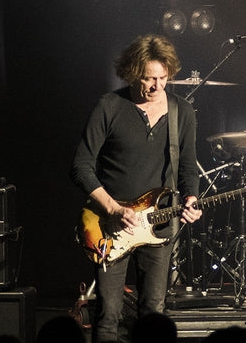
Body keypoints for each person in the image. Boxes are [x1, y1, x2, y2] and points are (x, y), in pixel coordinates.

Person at [69, 33, 203, 343]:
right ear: (132, 73)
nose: (157, 86)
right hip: (110, 223)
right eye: (148, 78)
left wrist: (192, 198)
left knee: (153, 314)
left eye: (163, 78)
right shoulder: (110, 106)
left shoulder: (181, 112)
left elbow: (187, 167)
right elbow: (80, 166)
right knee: (108, 314)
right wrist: (112, 207)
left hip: (159, 224)